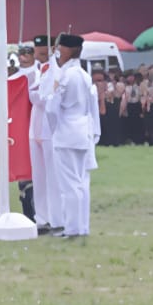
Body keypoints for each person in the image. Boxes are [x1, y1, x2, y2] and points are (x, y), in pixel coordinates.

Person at [41, 34, 99, 238]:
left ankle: (73, 228)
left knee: (69, 185)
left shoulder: (66, 75)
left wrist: (54, 127)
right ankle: (82, 227)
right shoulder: (83, 74)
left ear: (66, 50)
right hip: (82, 132)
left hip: (66, 133)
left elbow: (52, 108)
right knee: (81, 183)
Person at [24, 37, 61, 233]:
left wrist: (35, 92)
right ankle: (41, 217)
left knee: (52, 176)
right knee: (38, 176)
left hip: (49, 126)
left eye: (43, 49)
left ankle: (56, 218)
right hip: (35, 126)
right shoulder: (34, 70)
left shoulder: (56, 70)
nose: (40, 53)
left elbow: (47, 99)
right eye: (37, 49)